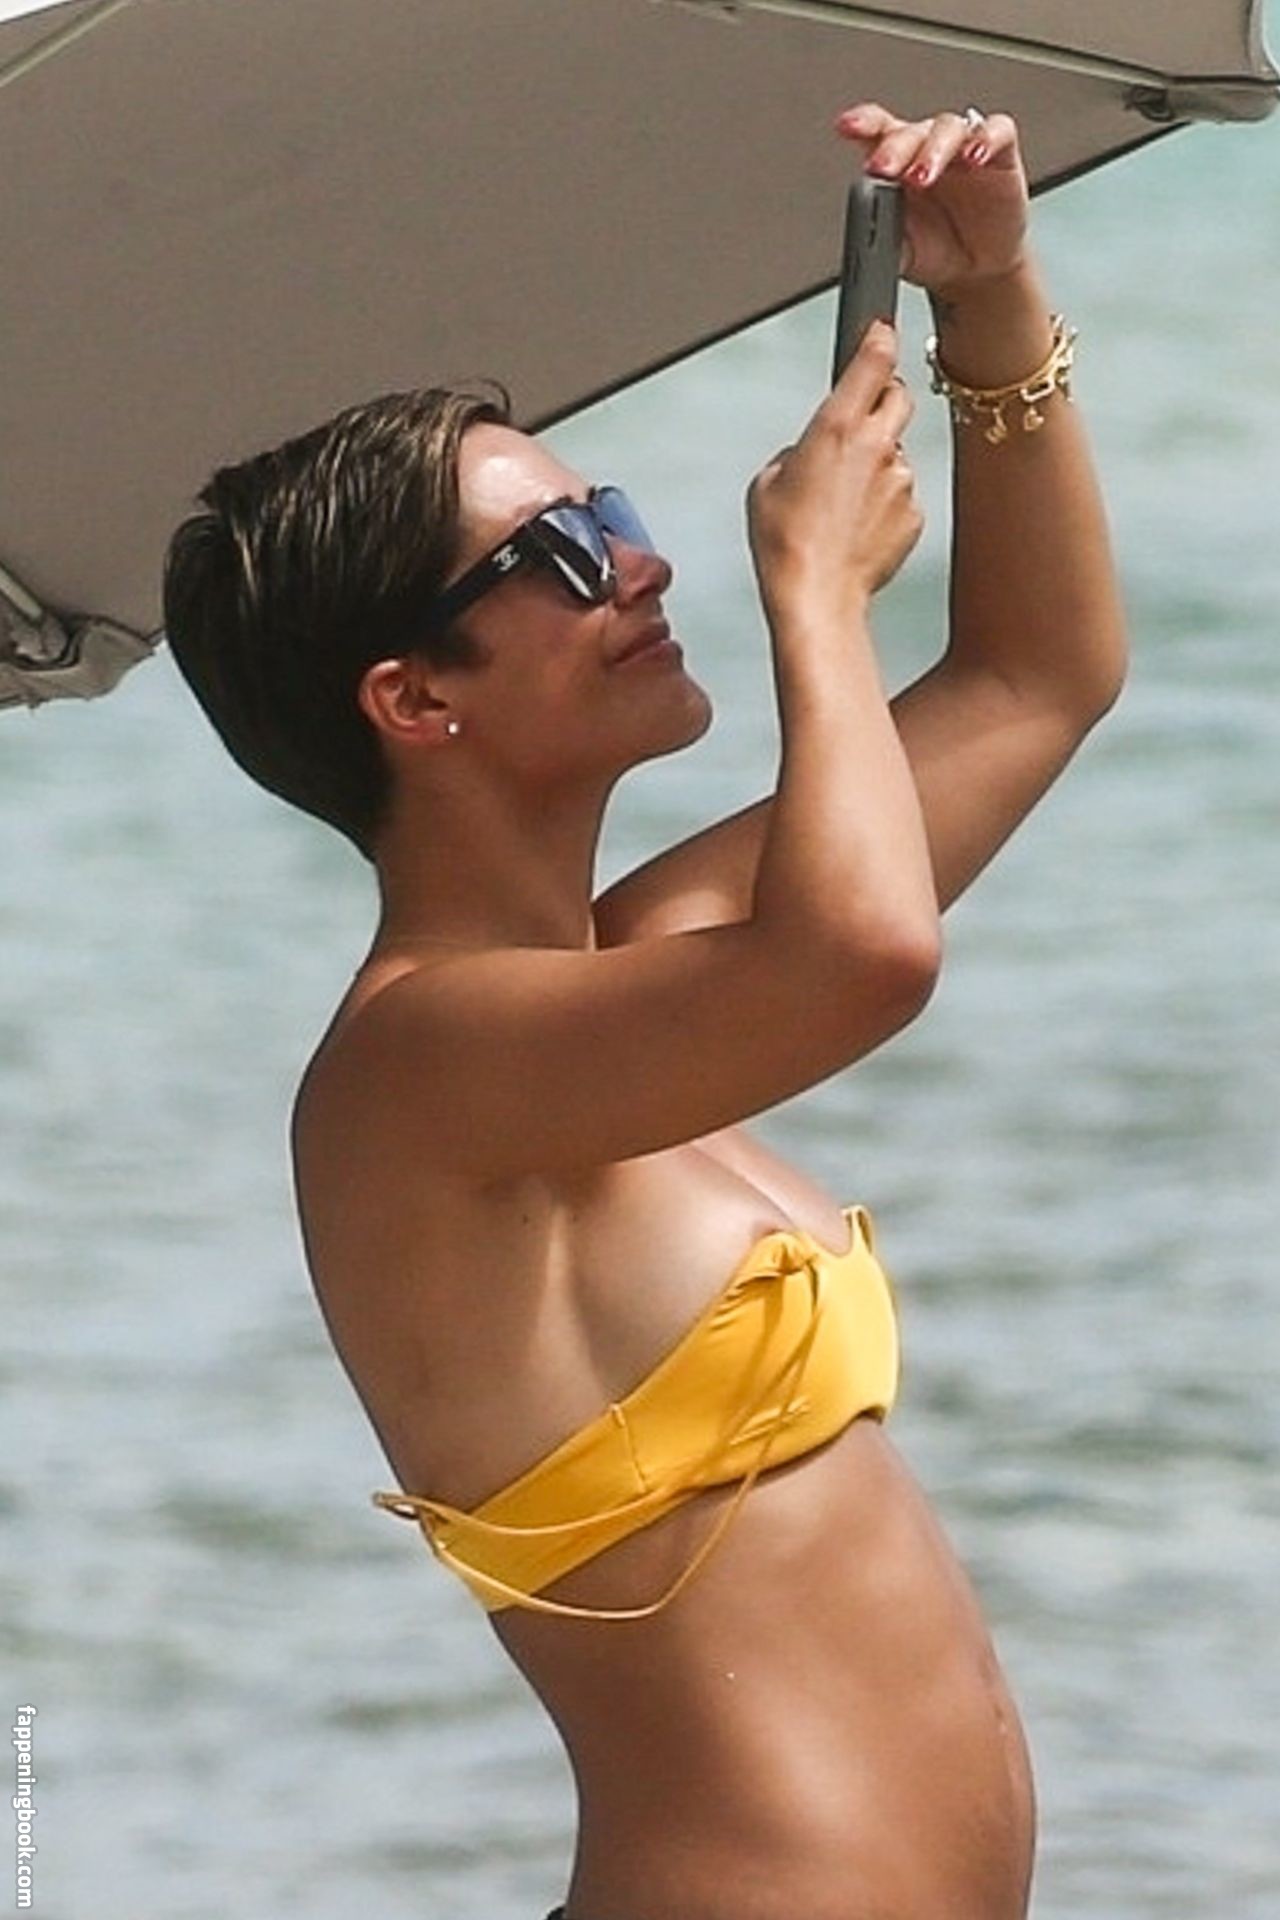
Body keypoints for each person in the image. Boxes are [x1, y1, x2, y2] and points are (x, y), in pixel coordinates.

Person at [163, 100, 1126, 1920]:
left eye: (606, 511)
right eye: (559, 551)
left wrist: (990, 300)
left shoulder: (636, 972)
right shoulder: (411, 1074)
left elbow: (1036, 678)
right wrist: (813, 598)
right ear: (413, 700)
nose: (639, 557)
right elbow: (867, 958)